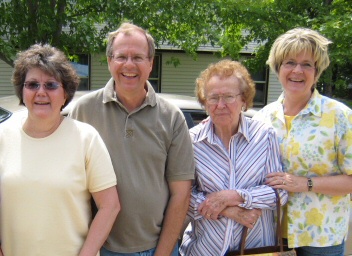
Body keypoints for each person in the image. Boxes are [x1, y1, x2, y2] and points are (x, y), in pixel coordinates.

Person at [69, 22, 195, 256]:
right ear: (109, 61)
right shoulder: (84, 110)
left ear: (150, 63)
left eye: (138, 57)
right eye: (121, 57)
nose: (129, 65)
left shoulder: (171, 117)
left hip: (157, 248)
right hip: (99, 248)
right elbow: (72, 183)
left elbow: (181, 194)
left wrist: (163, 253)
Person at [0, 44, 121, 256]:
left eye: (51, 85)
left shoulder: (86, 138)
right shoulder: (3, 136)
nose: (41, 92)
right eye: (32, 84)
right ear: (22, 91)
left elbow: (110, 206)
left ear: (65, 93)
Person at [253, 28, 352, 256]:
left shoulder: (340, 116)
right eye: (289, 62)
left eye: (307, 64)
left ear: (317, 72)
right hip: (269, 234)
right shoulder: (262, 118)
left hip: (321, 237)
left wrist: (304, 183)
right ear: (278, 67)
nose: (297, 70)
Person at [179, 59, 288, 256]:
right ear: (204, 102)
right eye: (213, 98)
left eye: (229, 97)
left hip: (255, 249)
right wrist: (228, 210)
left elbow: (279, 193)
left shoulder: (264, 136)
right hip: (204, 250)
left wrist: (236, 197)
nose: (220, 105)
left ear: (244, 100)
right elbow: (183, 197)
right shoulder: (192, 141)